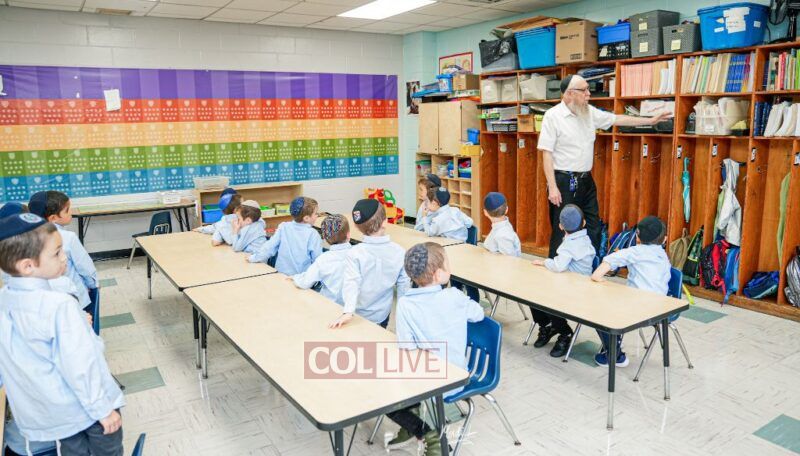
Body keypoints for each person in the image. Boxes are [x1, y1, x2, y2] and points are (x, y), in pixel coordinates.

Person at [535, 74, 671, 349]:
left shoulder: (589, 113)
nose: (589, 94)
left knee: (594, 229)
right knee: (560, 238)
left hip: (585, 180)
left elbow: (619, 119)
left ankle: (590, 278)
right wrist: (552, 187)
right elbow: (546, 154)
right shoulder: (553, 116)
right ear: (570, 93)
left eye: (588, 90)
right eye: (584, 90)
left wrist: (651, 120)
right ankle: (555, 315)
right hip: (563, 181)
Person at [0, 213, 124, 455]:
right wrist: (103, 409)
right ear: (27, 265)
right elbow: (80, 365)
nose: (64, 257)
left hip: (55, 415)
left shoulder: (4, 300)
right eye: (56, 253)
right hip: (89, 411)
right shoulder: (59, 304)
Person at [386, 242, 485, 455]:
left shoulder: (405, 304)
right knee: (402, 390)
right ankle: (427, 432)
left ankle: (424, 432)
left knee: (382, 395)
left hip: (429, 380)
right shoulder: (455, 297)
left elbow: (407, 346)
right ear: (439, 274)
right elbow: (478, 314)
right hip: (456, 377)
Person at [591, 215, 671, 367]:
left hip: (638, 310)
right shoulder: (663, 255)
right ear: (665, 240)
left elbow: (609, 261)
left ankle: (614, 354)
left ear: (637, 237)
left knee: (597, 312)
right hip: (661, 309)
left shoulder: (635, 252)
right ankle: (614, 345)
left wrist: (597, 276)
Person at [329, 199, 410, 329]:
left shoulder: (354, 253)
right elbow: (403, 285)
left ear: (357, 227)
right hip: (382, 314)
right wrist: (404, 315)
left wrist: (348, 311)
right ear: (385, 222)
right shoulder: (400, 252)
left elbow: (351, 283)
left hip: (356, 314)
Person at [531, 205, 596, 357]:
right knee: (540, 294)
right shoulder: (585, 238)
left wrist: (545, 262)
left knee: (539, 296)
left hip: (574, 290)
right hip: (577, 285)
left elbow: (558, 266)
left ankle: (564, 332)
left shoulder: (568, 245)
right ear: (584, 223)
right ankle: (551, 327)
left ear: (560, 226)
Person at [28, 191, 97, 309]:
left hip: (46, 303)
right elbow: (85, 268)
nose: (71, 212)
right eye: (67, 210)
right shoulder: (68, 237)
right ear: (53, 218)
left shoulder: (27, 237)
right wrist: (94, 285)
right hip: (76, 299)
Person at [248, 196, 322, 275]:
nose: (317, 215)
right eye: (316, 213)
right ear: (306, 218)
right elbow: (318, 260)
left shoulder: (284, 227)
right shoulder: (313, 234)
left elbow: (269, 247)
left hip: (281, 276)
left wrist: (253, 258)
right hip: (300, 278)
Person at [290, 214, 352, 305]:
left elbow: (305, 283)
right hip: (352, 306)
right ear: (348, 235)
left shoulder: (323, 259)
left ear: (326, 239)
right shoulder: (359, 255)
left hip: (330, 305)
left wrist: (295, 277)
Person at [482, 192, 521, 257]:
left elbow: (510, 260)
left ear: (485, 212)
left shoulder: (502, 235)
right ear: (506, 209)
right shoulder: (500, 226)